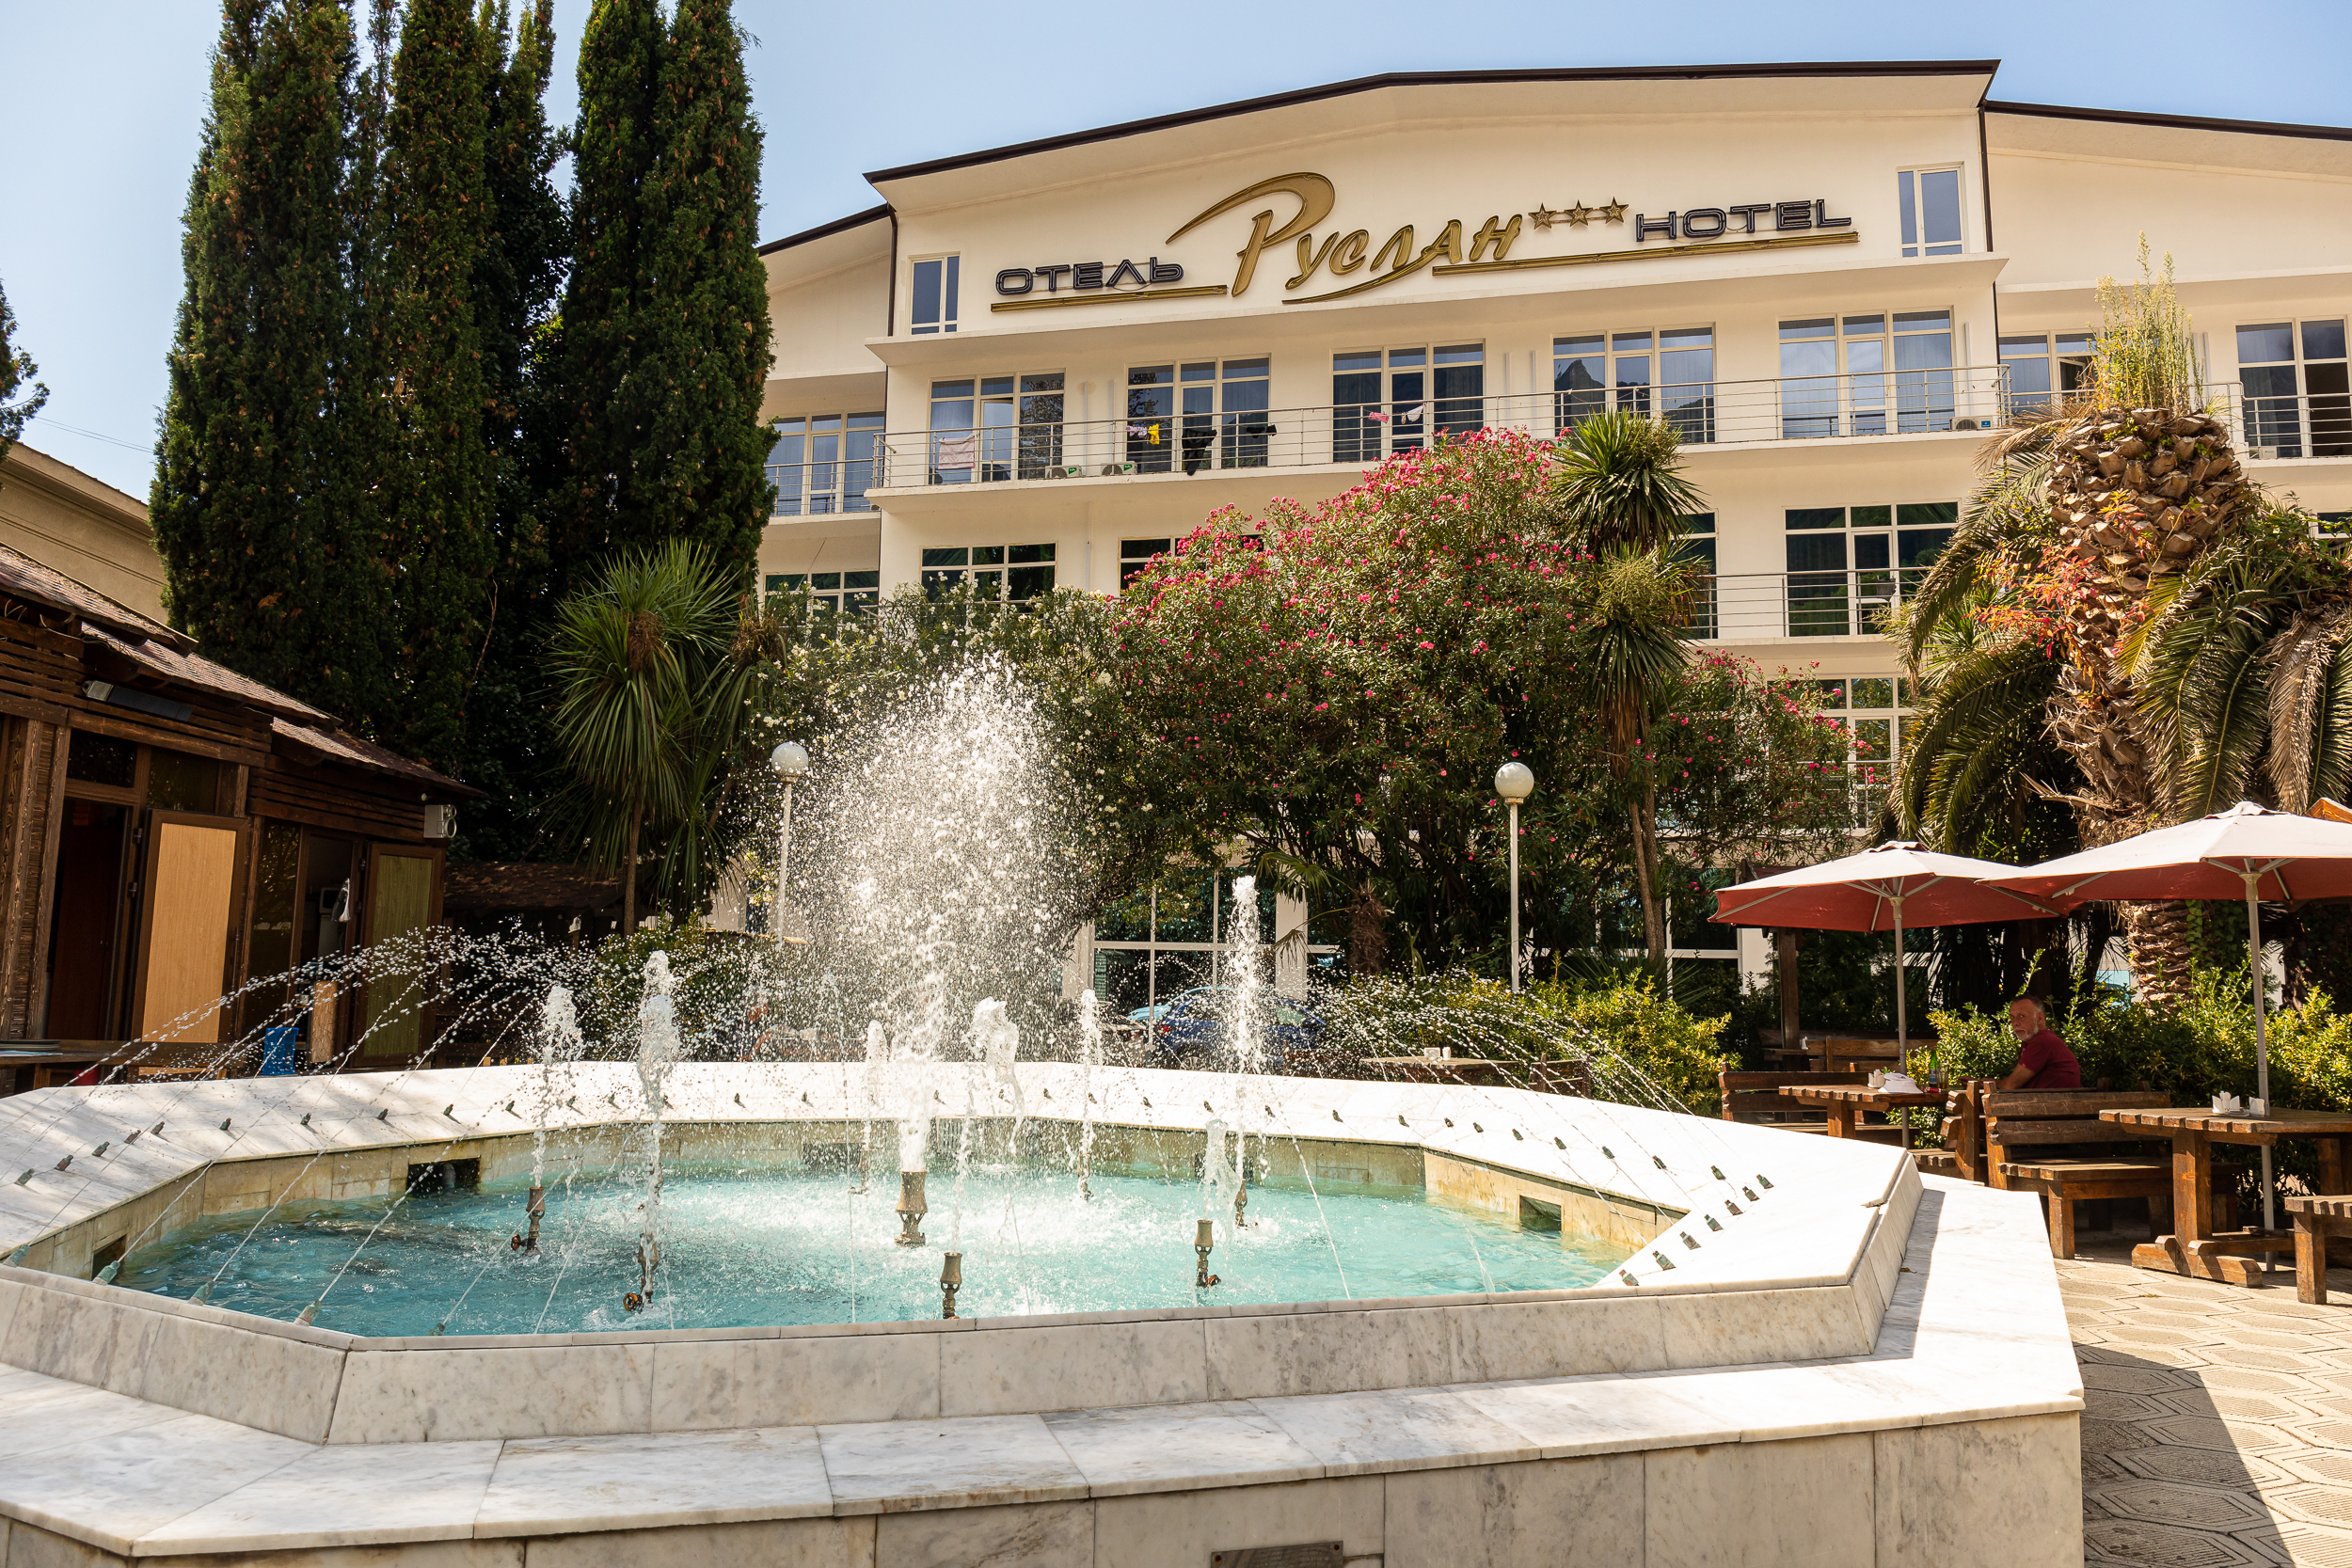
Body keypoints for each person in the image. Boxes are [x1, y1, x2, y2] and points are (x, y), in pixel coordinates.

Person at [1998, 996, 2080, 1090]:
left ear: (2040, 1018)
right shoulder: (2030, 1041)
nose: (2015, 1023)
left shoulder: (2043, 1041)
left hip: (2055, 1100)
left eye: (2022, 1016)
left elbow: (2010, 1085)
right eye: (2012, 1017)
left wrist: (1992, 1083)